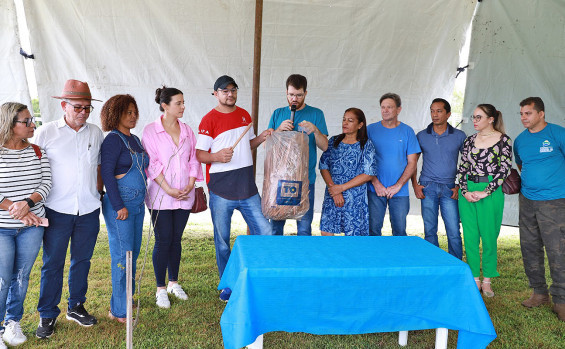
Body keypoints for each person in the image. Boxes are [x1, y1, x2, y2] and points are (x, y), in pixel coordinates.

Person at [35, 80, 104, 338]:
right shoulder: (46, 132)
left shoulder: (96, 132)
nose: (83, 112)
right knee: (52, 263)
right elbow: (35, 169)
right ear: (64, 105)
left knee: (82, 260)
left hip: (88, 209)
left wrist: (99, 192)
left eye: (87, 108)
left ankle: (76, 305)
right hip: (56, 209)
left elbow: (98, 166)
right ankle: (47, 314)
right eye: (78, 107)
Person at [195, 75, 273, 302]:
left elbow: (247, 146)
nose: (230, 94)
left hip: (247, 187)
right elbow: (200, 154)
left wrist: (261, 137)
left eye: (233, 90)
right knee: (222, 241)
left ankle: (258, 277)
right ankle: (228, 285)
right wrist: (216, 156)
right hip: (221, 190)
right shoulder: (208, 120)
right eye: (225, 91)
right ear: (216, 94)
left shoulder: (244, 115)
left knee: (266, 233)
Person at [142, 86, 203, 309]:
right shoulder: (150, 131)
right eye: (178, 103)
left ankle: (173, 283)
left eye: (183, 102)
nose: (183, 107)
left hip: (185, 194)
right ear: (165, 105)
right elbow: (152, 163)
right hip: (160, 195)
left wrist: (190, 183)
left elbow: (194, 159)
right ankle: (160, 288)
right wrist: (167, 188)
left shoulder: (187, 130)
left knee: (176, 239)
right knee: (163, 239)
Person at [0, 103, 51, 347]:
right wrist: (17, 209)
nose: (33, 125)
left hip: (32, 226)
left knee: (21, 276)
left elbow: (46, 184)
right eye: (27, 121)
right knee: (2, 279)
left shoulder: (38, 152)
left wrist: (27, 204)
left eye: (32, 120)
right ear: (11, 124)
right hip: (2, 228)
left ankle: (12, 322)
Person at [514, 97, 565, 321]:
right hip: (527, 200)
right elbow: (521, 165)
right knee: (529, 246)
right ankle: (539, 293)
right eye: (522, 114)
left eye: (528, 113)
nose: (524, 118)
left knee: (558, 250)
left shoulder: (557, 133)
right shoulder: (520, 140)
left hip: (555, 201)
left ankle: (561, 300)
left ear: (541, 114)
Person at [100, 94, 148, 323]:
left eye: (134, 112)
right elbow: (106, 174)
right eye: (127, 112)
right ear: (115, 114)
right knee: (122, 255)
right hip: (121, 206)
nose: (132, 116)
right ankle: (119, 311)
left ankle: (125, 299)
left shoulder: (135, 139)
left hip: (138, 205)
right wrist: (119, 205)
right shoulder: (112, 140)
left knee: (133, 253)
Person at [456, 104, 512, 297]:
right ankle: (474, 279)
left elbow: (504, 170)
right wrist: (464, 191)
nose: (474, 121)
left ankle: (487, 280)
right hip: (469, 191)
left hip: (490, 192)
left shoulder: (504, 140)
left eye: (479, 117)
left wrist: (485, 192)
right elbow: (462, 168)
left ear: (491, 119)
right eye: (473, 117)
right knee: (470, 237)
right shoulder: (469, 140)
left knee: (489, 236)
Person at [267, 74, 328, 235]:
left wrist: (315, 130)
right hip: (280, 179)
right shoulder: (277, 113)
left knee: (304, 227)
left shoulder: (316, 114)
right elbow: (269, 147)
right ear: (286, 93)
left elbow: (325, 146)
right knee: (276, 226)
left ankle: (302, 260)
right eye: (291, 94)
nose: (294, 99)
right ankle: (277, 259)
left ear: (305, 93)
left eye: (299, 95)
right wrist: (279, 130)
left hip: (305, 180)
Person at [411, 98, 466, 259]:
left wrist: (459, 186)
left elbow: (468, 162)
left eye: (439, 111)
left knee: (454, 231)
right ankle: (433, 264)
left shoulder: (459, 135)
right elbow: (412, 162)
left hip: (450, 188)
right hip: (427, 187)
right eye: (432, 111)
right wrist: (415, 185)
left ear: (448, 114)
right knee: (429, 230)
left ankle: (456, 266)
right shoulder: (421, 136)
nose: (434, 115)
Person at [367, 93, 420, 236]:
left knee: (399, 232)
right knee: (373, 230)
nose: (385, 110)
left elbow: (412, 162)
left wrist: (398, 186)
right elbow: (364, 161)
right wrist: (376, 183)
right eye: (383, 107)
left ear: (398, 109)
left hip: (400, 192)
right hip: (375, 190)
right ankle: (374, 259)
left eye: (389, 107)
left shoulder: (407, 131)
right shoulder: (370, 130)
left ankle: (400, 258)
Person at [319, 108, 376, 236]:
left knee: (354, 242)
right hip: (332, 195)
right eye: (344, 119)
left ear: (360, 125)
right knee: (326, 236)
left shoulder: (366, 145)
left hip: (355, 199)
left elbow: (369, 173)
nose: (345, 123)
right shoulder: (333, 141)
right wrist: (334, 191)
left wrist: (341, 188)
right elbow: (323, 166)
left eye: (350, 120)